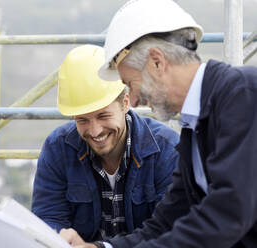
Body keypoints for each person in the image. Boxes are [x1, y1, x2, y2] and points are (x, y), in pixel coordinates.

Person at [59, 0, 257, 247]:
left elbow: (227, 214)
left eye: (131, 84)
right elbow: (164, 224)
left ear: (156, 62)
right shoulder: (194, 128)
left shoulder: (242, 95)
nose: (137, 101)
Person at [31, 44, 179, 244]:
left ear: (125, 103)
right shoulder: (57, 148)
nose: (94, 131)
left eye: (103, 116)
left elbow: (169, 232)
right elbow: (48, 218)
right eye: (82, 120)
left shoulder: (167, 150)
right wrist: (58, 237)